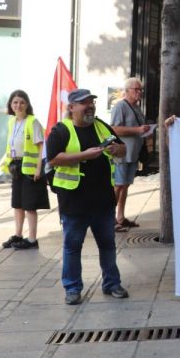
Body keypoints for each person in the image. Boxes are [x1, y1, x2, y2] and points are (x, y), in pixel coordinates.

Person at [47, 89, 128, 305]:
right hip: (74, 202)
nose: (90, 106)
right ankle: (72, 288)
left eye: (92, 102)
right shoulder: (61, 130)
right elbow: (53, 159)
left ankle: (112, 283)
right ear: (71, 107)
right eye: (84, 103)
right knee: (73, 246)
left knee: (108, 244)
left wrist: (116, 149)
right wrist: (84, 155)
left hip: (103, 199)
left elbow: (123, 150)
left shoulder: (102, 126)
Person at [0, 90, 50, 250]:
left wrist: (39, 169)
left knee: (30, 205)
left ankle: (32, 239)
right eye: (15, 102)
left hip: (30, 169)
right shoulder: (12, 121)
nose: (18, 105)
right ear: (10, 105)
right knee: (18, 204)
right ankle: (18, 235)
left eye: (21, 102)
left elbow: (42, 146)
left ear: (27, 104)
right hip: (16, 167)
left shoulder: (32, 121)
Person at [110, 78, 150, 232]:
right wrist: (137, 130)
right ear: (127, 91)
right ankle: (110, 218)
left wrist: (145, 131)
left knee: (125, 185)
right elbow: (113, 129)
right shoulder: (120, 106)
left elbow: (138, 128)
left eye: (140, 89)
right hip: (121, 154)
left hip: (133, 153)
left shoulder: (137, 108)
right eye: (136, 89)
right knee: (118, 185)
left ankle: (120, 217)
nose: (139, 92)